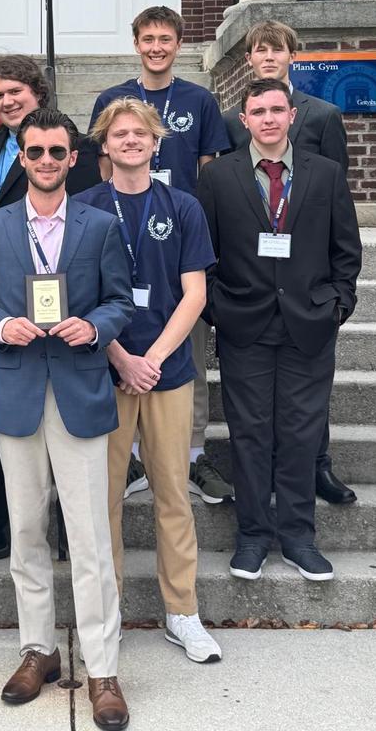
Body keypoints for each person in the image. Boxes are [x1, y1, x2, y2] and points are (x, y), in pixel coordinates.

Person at [0, 107, 133, 731]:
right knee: (27, 531)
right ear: (22, 155)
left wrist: (96, 326)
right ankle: (38, 650)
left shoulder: (100, 225)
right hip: (17, 391)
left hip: (79, 389)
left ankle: (103, 668)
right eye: (34, 151)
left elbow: (120, 301)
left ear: (72, 158)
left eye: (56, 152)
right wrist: (0, 324)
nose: (45, 161)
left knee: (89, 538)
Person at [197, 79, 361, 583]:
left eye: (276, 109)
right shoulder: (218, 177)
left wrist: (337, 306)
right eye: (257, 111)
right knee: (249, 434)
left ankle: (298, 538)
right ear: (243, 120)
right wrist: (219, 310)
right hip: (244, 325)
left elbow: (346, 251)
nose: (267, 118)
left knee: (300, 433)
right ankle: (252, 536)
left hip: (309, 324)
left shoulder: (325, 174)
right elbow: (204, 255)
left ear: (292, 115)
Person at [77, 97, 222, 665]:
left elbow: (195, 294)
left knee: (173, 495)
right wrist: (121, 358)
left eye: (141, 133)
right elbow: (79, 297)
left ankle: (182, 611)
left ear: (157, 142)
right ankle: (106, 611)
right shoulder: (85, 207)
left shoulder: (183, 206)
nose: (131, 141)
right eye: (120, 134)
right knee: (104, 500)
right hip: (104, 370)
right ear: (104, 145)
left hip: (168, 372)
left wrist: (152, 359)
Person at [0, 54, 103, 568]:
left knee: (61, 429)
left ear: (38, 93)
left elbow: (83, 225)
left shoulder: (66, 147)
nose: (6, 101)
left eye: (15, 91)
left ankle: (62, 533)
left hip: (60, 316)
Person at [89, 6, 232, 506]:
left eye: (165, 38)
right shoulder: (111, 100)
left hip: (179, 236)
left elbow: (209, 170)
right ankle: (129, 456)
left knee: (187, 353)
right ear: (136, 44)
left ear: (178, 44)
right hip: (125, 235)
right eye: (148, 38)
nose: (156, 47)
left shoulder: (199, 100)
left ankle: (192, 455)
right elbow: (104, 171)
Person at [221, 20, 354, 504]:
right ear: (249, 59)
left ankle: (318, 466)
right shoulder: (233, 120)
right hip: (255, 279)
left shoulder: (322, 114)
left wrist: (338, 299)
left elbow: (337, 199)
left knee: (306, 399)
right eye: (260, 50)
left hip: (306, 277)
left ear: (291, 56)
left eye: (277, 50)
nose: (269, 57)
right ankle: (261, 481)